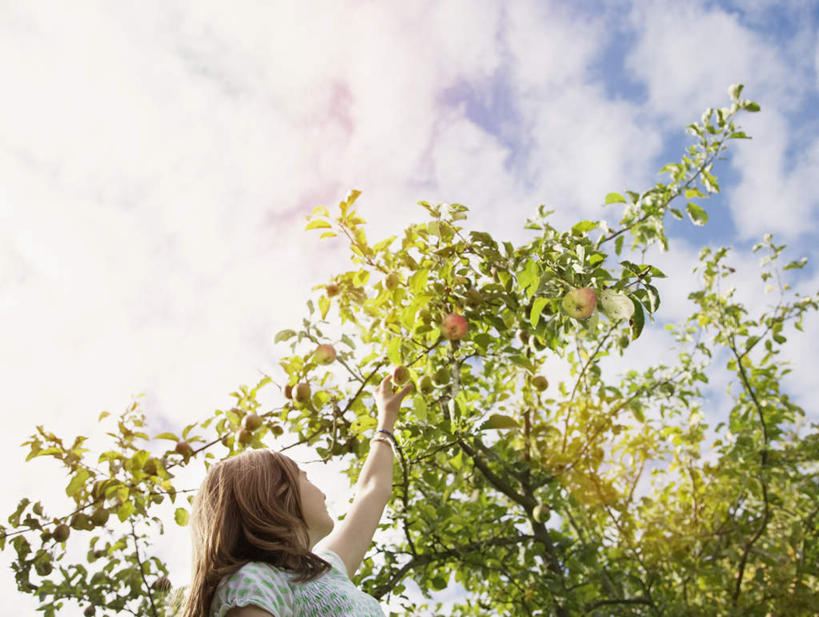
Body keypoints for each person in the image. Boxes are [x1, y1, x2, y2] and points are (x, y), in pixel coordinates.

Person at [179, 373, 414, 617]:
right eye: (305, 477)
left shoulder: (327, 571)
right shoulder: (256, 579)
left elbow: (373, 491)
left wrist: (386, 421)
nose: (321, 492)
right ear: (277, 494)